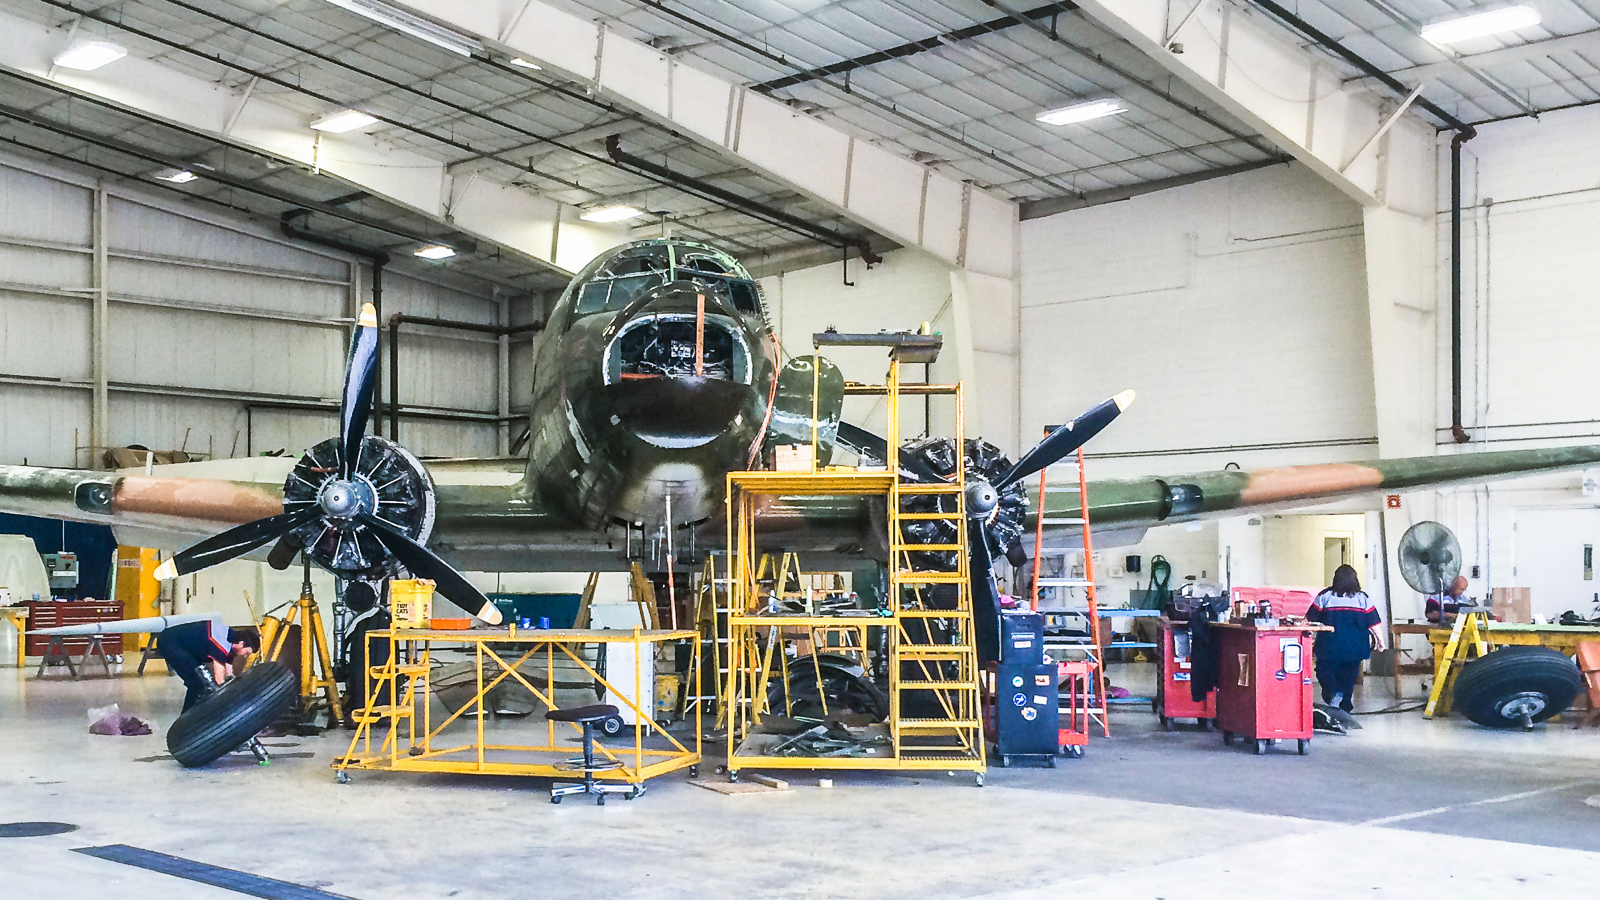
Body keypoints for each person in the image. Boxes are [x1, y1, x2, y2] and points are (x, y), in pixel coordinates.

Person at [1307, 565, 1386, 712]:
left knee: (1324, 670)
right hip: (1355, 647)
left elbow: (1310, 619)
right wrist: (1380, 642)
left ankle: (1332, 693)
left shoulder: (1325, 596)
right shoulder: (1362, 598)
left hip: (1329, 645)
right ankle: (1345, 705)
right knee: (1349, 675)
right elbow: (1374, 623)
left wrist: (1308, 639)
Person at [158, 614, 257, 711]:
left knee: (202, 682)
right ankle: (187, 719)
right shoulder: (221, 640)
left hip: (184, 647)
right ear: (241, 643)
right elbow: (219, 677)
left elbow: (229, 673)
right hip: (170, 642)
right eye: (247, 652)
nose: (245, 656)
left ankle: (194, 714)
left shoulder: (230, 639)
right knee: (198, 683)